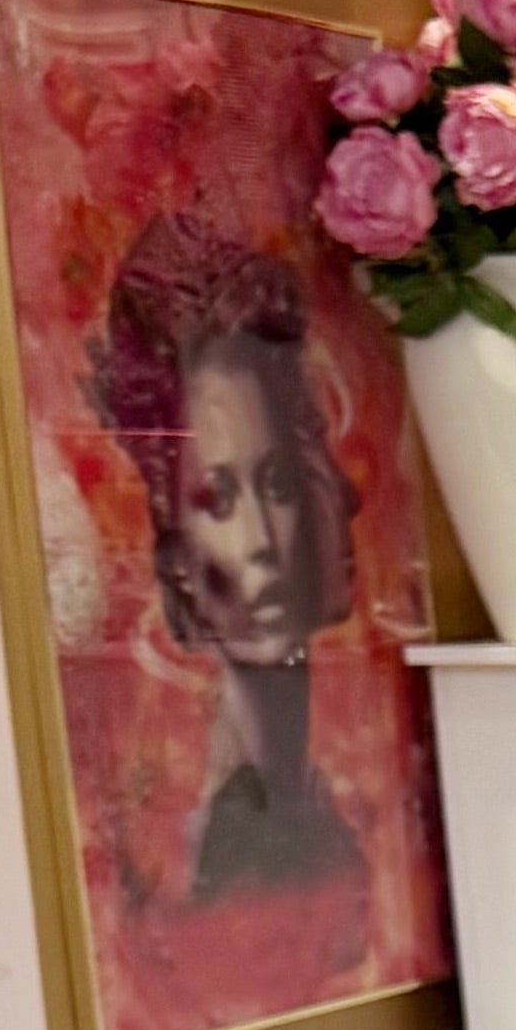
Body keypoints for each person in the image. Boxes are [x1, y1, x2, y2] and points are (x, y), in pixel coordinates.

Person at [89, 219, 365, 902]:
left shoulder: (352, 794)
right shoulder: (186, 851)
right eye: (217, 499)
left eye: (278, 486)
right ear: (177, 550)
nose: (263, 539)